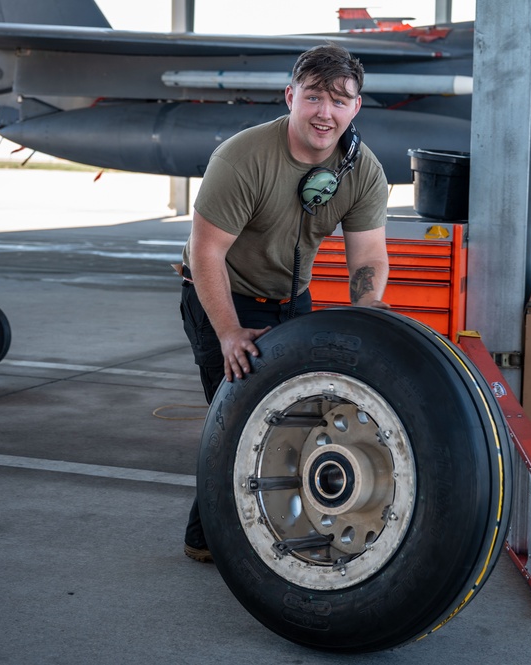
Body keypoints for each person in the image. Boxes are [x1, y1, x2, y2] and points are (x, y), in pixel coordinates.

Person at [177, 43, 391, 563]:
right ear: (291, 96)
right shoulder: (242, 158)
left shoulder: (361, 171)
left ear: (355, 108)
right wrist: (228, 332)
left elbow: (367, 258)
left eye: (340, 101)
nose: (326, 112)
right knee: (238, 420)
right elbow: (207, 253)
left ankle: (258, 527)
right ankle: (210, 540)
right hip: (222, 294)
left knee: (296, 418)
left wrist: (370, 315)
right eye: (314, 97)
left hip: (292, 297)